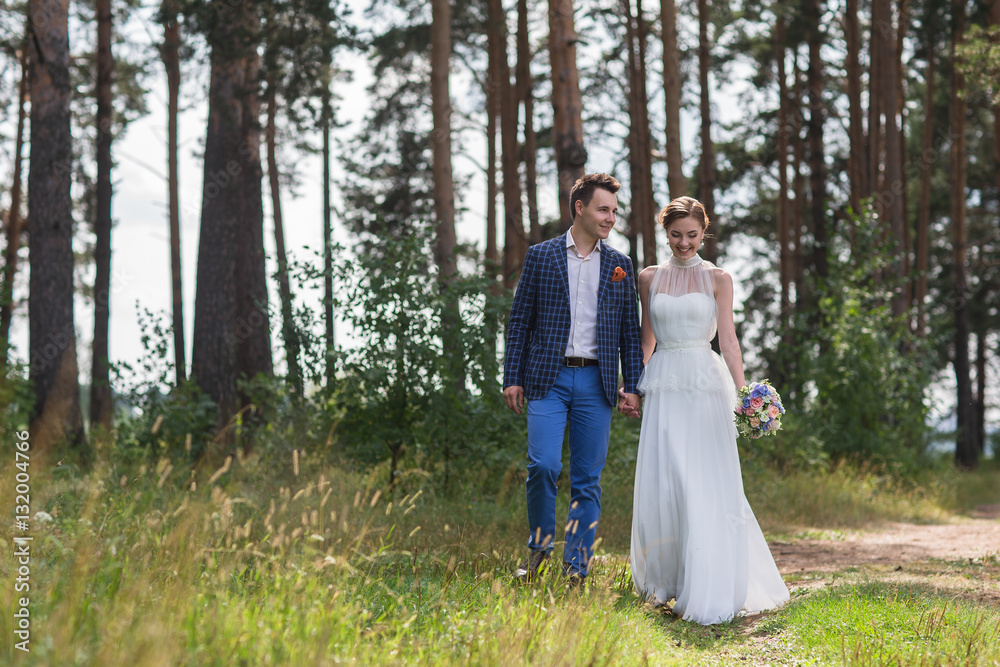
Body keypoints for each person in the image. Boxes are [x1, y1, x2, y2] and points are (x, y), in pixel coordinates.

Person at [628, 196, 789, 623]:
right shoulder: (648, 278)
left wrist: (744, 394)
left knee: (704, 480)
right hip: (664, 383)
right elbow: (647, 338)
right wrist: (633, 387)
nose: (684, 243)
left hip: (704, 381)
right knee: (668, 480)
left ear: (704, 232)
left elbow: (729, 340)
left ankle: (711, 581)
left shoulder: (718, 278)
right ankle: (669, 581)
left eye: (692, 235)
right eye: (676, 235)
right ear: (666, 234)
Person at [503, 173, 643, 585]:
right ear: (579, 208)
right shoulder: (541, 256)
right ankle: (540, 549)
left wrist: (632, 386)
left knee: (587, 480)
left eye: (615, 212)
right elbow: (520, 323)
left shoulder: (621, 264)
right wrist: (512, 376)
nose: (610, 218)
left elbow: (630, 333)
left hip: (597, 385)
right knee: (543, 465)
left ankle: (576, 568)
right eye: (603, 209)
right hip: (547, 379)